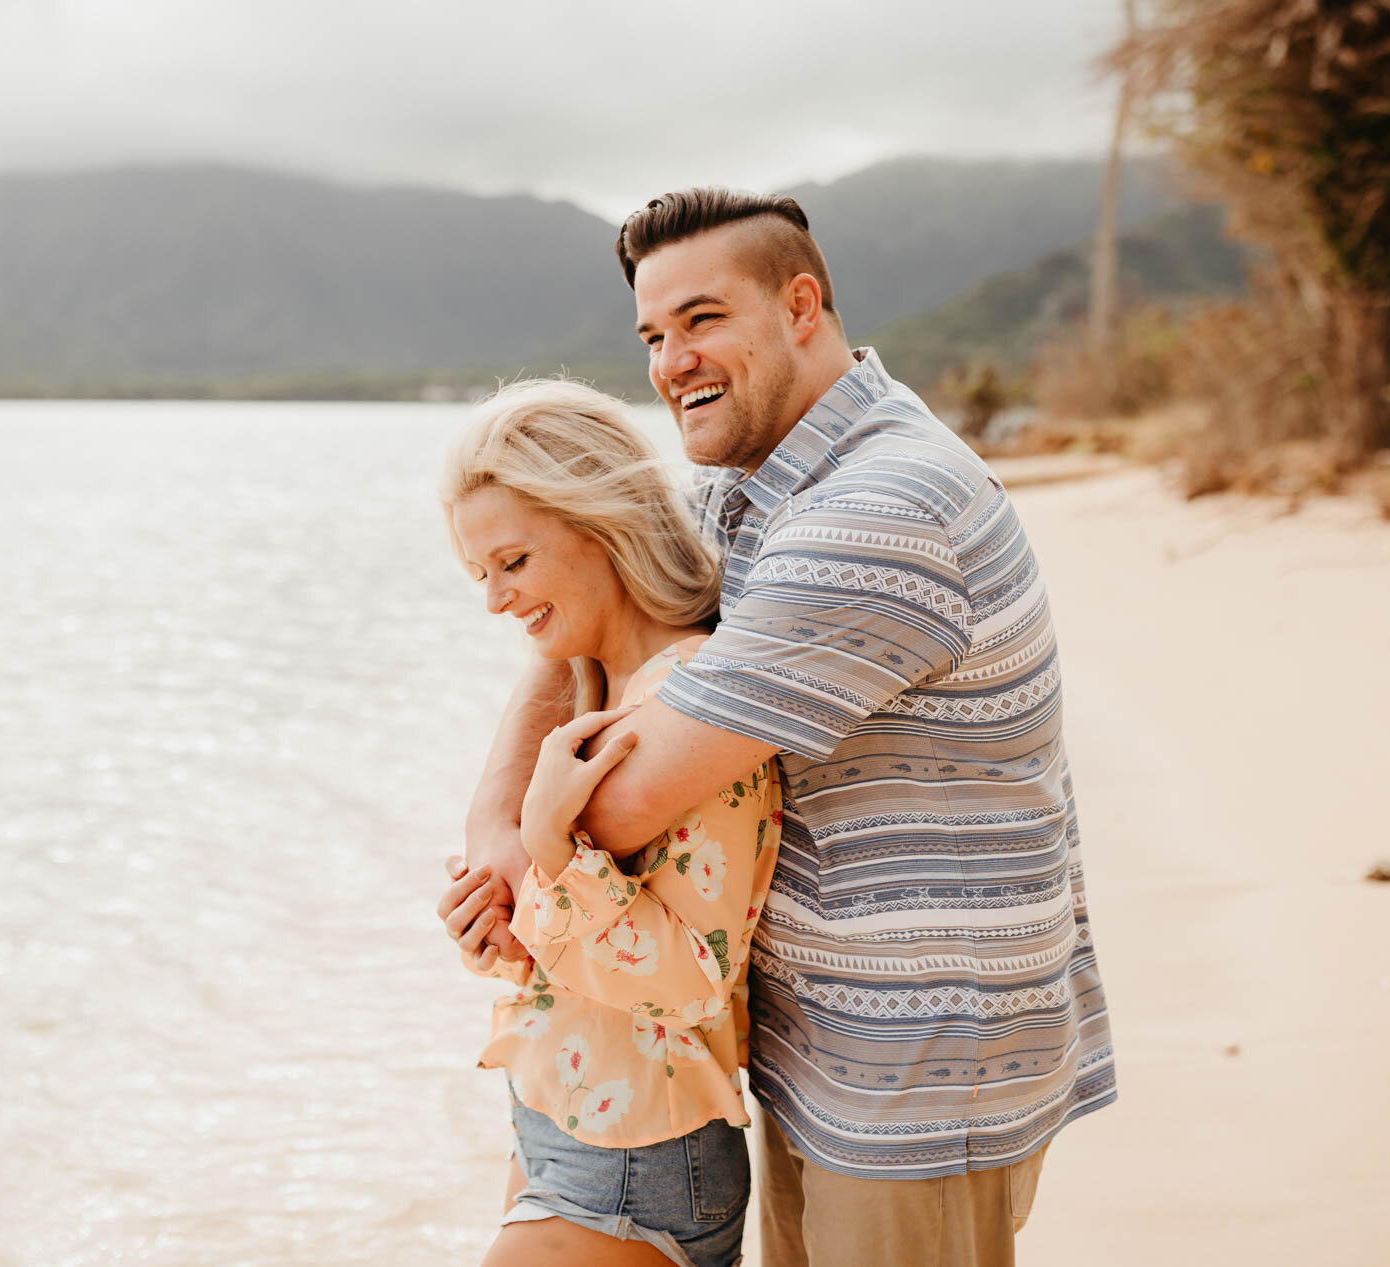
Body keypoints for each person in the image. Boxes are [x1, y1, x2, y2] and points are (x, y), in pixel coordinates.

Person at [441, 188, 1117, 1267]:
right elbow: (580, 623)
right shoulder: (753, 490)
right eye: (653, 335)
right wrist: (494, 831)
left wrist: (535, 840)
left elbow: (620, 796)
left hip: (920, 1064)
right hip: (817, 1046)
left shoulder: (881, 507)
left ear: (801, 305)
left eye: (702, 318)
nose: (671, 361)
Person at [437, 378, 787, 1267]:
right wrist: (501, 928)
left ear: (601, 525)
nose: (496, 599)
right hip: (567, 1129)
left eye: (514, 562)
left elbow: (689, 982)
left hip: (637, 1159)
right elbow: (586, 946)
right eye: (482, 573)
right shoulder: (596, 684)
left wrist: (554, 844)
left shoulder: (687, 700)